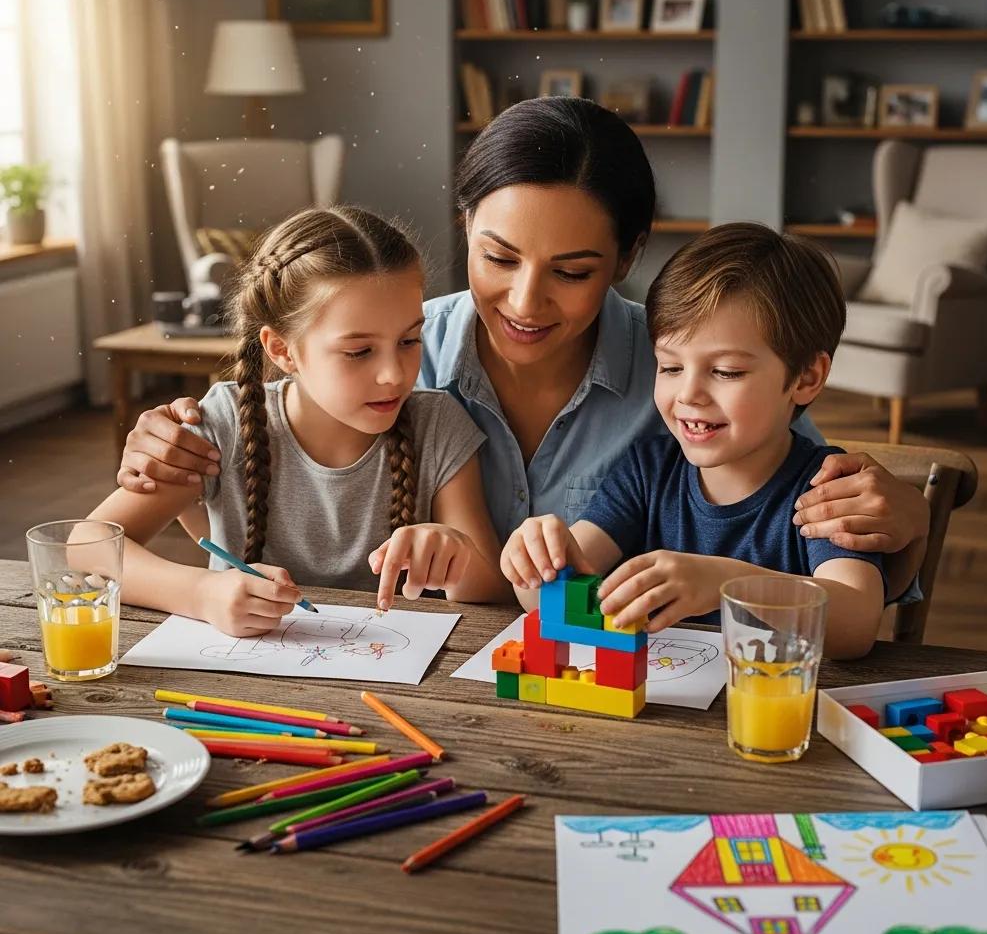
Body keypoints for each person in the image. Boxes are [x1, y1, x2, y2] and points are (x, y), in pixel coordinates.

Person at [113, 98, 928, 600]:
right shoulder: (392, 346)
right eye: (499, 258)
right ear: (465, 225)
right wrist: (174, 452)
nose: (527, 302)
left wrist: (905, 522)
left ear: (629, 255)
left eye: (573, 272)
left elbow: (812, 508)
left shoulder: (681, 371)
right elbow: (257, 473)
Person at [87, 206, 506, 637]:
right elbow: (86, 548)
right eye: (359, 351)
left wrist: (457, 556)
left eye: (408, 340)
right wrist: (202, 593)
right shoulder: (223, 424)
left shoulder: (438, 425)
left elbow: (493, 586)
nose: (394, 375)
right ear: (282, 350)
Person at [501, 224, 885, 659]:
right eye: (670, 367)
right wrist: (539, 563)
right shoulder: (647, 472)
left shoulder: (825, 490)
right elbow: (548, 603)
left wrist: (725, 585)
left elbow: (856, 624)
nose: (688, 395)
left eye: (725, 372)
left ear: (807, 377)